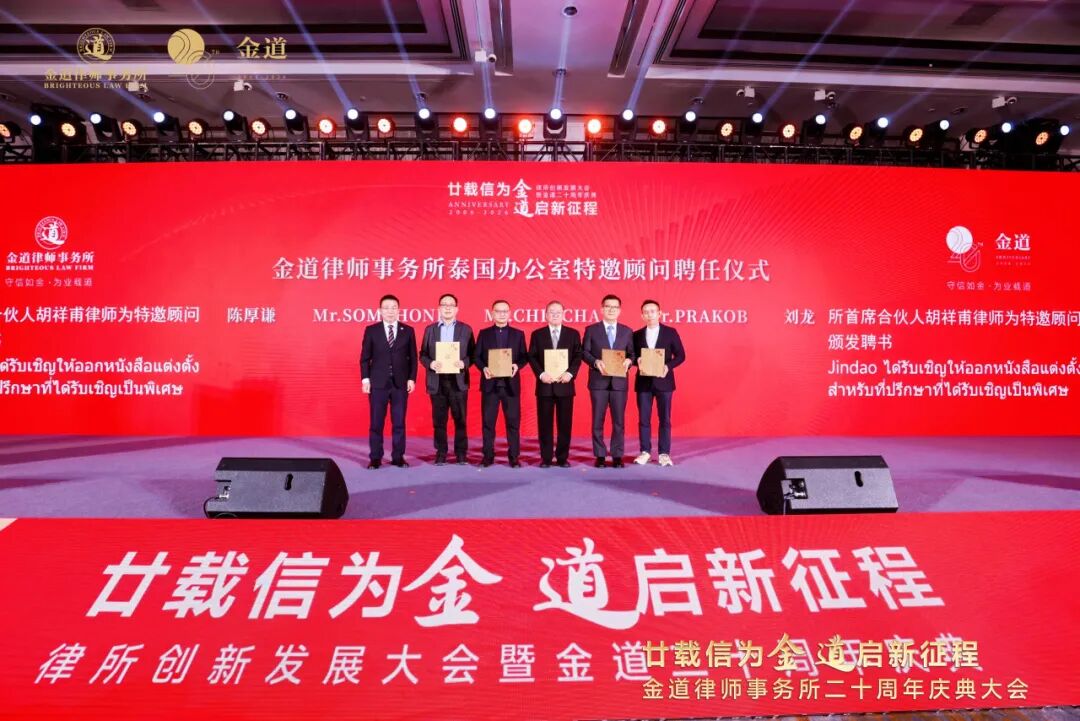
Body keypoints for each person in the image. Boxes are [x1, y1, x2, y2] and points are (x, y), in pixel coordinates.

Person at [359, 294, 417, 469]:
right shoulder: (372, 330)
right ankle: (375, 457)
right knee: (376, 423)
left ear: (398, 310)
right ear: (380, 310)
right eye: (386, 308)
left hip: (400, 384)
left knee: (399, 423)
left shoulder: (408, 330)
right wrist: (365, 380)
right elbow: (365, 358)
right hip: (378, 383)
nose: (390, 311)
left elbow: (413, 358)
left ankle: (398, 457)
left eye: (393, 308)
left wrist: (412, 379)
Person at [419, 293, 475, 465]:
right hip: (437, 381)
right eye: (444, 304)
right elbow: (423, 355)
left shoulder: (466, 329)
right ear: (439, 308)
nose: (448, 308)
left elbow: (473, 355)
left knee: (460, 419)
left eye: (451, 305)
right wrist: (431, 363)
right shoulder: (430, 330)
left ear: (457, 309)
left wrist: (464, 363)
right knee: (439, 420)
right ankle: (441, 452)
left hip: (458, 381)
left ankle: (461, 453)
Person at [581, 294, 635, 467]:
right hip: (598, 381)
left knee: (619, 421)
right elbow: (584, 352)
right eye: (608, 306)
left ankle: (617, 455)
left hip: (619, 382)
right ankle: (600, 455)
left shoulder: (627, 331)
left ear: (619, 310)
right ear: (602, 309)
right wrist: (595, 362)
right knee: (598, 420)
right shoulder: (591, 330)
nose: (611, 310)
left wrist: (629, 361)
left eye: (615, 307)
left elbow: (632, 353)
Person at [527, 300, 582, 468]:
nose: (555, 315)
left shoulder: (573, 334)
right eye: (552, 312)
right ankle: (546, 458)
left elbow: (577, 356)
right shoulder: (537, 334)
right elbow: (532, 357)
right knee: (544, 424)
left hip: (565, 386)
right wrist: (541, 374)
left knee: (565, 424)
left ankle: (562, 458)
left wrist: (570, 373)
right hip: (545, 386)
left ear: (564, 314)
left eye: (558, 312)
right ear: (546, 315)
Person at [474, 299, 528, 467]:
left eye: (505, 311)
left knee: (513, 423)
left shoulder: (518, 334)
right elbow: (476, 357)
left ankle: (514, 457)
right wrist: (484, 368)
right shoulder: (484, 334)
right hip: (490, 385)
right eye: (498, 311)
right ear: (492, 313)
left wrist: (517, 365)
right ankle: (488, 456)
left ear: (509, 314)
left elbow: (524, 357)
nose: (502, 314)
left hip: (510, 386)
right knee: (488, 423)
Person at [632, 299, 686, 467]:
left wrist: (668, 366)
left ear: (659, 313)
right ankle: (645, 452)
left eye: (653, 311)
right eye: (646, 312)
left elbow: (681, 355)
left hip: (664, 382)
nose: (649, 314)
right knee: (643, 419)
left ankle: (664, 453)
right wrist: (636, 360)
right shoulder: (636, 335)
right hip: (643, 383)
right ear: (642, 315)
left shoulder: (670, 332)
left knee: (665, 419)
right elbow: (631, 356)